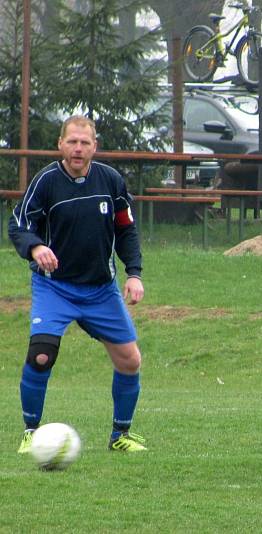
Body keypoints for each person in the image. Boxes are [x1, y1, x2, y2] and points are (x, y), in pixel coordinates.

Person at [9, 115, 147, 453]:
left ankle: (120, 437)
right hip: (54, 287)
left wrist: (134, 273)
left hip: (101, 289)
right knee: (41, 356)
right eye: (72, 141)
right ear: (60, 144)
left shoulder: (111, 180)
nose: (78, 148)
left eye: (85, 143)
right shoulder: (45, 183)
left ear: (94, 147)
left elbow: (126, 229)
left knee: (130, 360)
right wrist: (36, 246)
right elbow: (18, 225)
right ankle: (31, 432)